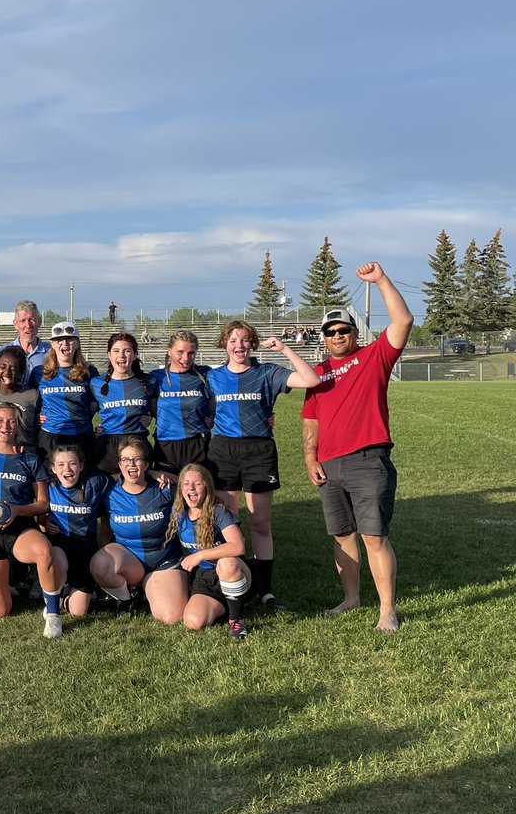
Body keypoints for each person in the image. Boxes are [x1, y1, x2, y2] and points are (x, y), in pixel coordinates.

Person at [302, 262, 412, 632]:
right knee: (342, 535)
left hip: (368, 459)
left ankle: (387, 611)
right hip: (329, 464)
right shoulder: (316, 374)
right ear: (324, 337)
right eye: (330, 331)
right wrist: (309, 457)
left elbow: (403, 321)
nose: (336, 335)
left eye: (342, 330)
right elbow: (311, 419)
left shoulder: (373, 357)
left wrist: (381, 279)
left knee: (374, 537)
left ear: (353, 332)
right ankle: (351, 598)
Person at [206, 320, 319, 612]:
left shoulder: (267, 372)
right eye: (233, 340)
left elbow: (311, 380)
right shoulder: (213, 377)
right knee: (227, 522)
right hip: (223, 451)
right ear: (224, 344)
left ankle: (265, 590)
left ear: (252, 344)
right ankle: (232, 584)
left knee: (259, 523)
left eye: (244, 340)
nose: (239, 346)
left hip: (259, 450)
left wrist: (284, 348)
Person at [0, 402, 68, 638]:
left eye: (11, 421)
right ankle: (5, 584)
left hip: (19, 527)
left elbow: (43, 504)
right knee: (0, 610)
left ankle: (52, 614)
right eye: (0, 420)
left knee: (43, 551)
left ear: (18, 426)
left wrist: (16, 510)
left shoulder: (30, 459)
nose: (6, 426)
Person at [89, 436, 185, 625]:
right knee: (100, 564)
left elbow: (192, 482)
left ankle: (150, 588)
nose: (131, 464)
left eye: (137, 459)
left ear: (146, 463)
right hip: (130, 561)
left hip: (164, 560)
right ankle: (126, 598)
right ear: (119, 464)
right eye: (126, 460)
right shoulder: (109, 492)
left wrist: (157, 473)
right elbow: (103, 526)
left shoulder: (163, 488)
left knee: (171, 617)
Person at [168, 463, 252, 640]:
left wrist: (200, 554)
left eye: (197, 483)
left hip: (235, 570)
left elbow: (238, 546)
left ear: (206, 486)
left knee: (226, 562)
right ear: (180, 488)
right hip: (206, 576)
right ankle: (231, 602)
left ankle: (237, 620)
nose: (191, 488)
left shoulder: (218, 511)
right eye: (186, 483)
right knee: (193, 622)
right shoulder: (178, 514)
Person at [45, 445, 111, 617]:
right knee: (56, 556)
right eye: (60, 464)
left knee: (78, 612)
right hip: (59, 546)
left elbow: (123, 479)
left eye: (72, 463)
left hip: (85, 551)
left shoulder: (95, 482)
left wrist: (153, 474)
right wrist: (43, 521)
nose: (67, 469)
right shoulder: (48, 485)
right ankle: (57, 590)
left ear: (81, 466)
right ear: (53, 468)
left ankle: (69, 591)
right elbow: (37, 507)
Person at [149, 330, 213, 476]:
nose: (186, 358)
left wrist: (214, 417)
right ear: (169, 351)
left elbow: (226, 397)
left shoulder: (205, 374)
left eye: (191, 353)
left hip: (198, 444)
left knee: (198, 493)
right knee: (168, 494)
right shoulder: (155, 378)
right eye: (180, 352)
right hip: (166, 445)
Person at [91, 332, 155, 476]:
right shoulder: (96, 384)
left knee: (138, 489)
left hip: (138, 443)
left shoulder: (150, 382)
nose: (122, 355)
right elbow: (84, 413)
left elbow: (160, 410)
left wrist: (149, 416)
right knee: (108, 492)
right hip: (107, 446)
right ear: (109, 355)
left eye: (127, 351)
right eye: (116, 351)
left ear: (134, 354)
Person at [38, 321, 98, 464]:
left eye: (70, 339)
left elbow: (96, 401)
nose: (64, 343)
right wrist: (36, 414)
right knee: (51, 480)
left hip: (81, 435)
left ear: (77, 343)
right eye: (59, 339)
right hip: (51, 435)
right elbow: (29, 398)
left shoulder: (90, 372)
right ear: (52, 344)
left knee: (82, 478)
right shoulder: (39, 372)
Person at [0, 300, 51, 387]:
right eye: (22, 321)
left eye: (32, 320)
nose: (28, 326)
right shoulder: (2, 353)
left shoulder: (52, 353)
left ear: (39, 322)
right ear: (15, 324)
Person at [0, 345, 40, 447]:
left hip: (25, 454)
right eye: (2, 367)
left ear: (20, 373)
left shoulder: (32, 395)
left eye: (13, 369)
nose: (7, 372)